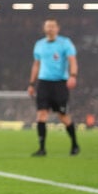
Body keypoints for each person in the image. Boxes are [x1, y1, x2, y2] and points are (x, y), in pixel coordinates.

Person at [28, 18, 79, 156]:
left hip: (59, 83)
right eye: (47, 26)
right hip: (43, 83)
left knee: (63, 116)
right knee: (41, 115)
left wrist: (73, 75)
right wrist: (32, 84)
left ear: (57, 28)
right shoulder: (39, 45)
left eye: (52, 26)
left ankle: (74, 144)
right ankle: (42, 148)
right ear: (44, 29)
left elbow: (72, 60)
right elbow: (36, 64)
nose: (50, 28)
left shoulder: (65, 43)